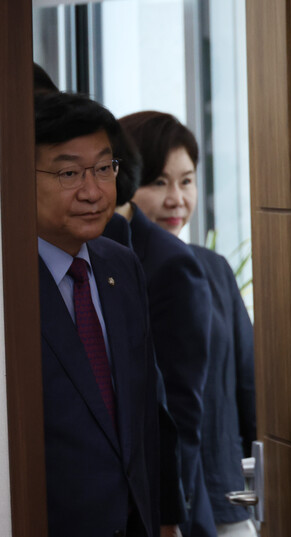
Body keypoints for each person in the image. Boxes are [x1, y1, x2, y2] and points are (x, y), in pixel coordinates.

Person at [119, 111, 256, 537]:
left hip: (224, 499)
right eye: (159, 182)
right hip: (154, 507)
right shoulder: (113, 273)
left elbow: (248, 385)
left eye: (187, 181)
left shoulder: (215, 268)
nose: (176, 199)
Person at [35, 91, 159, 536]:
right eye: (68, 173)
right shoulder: (10, 284)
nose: (93, 191)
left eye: (104, 168)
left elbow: (147, 409)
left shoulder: (120, 266)